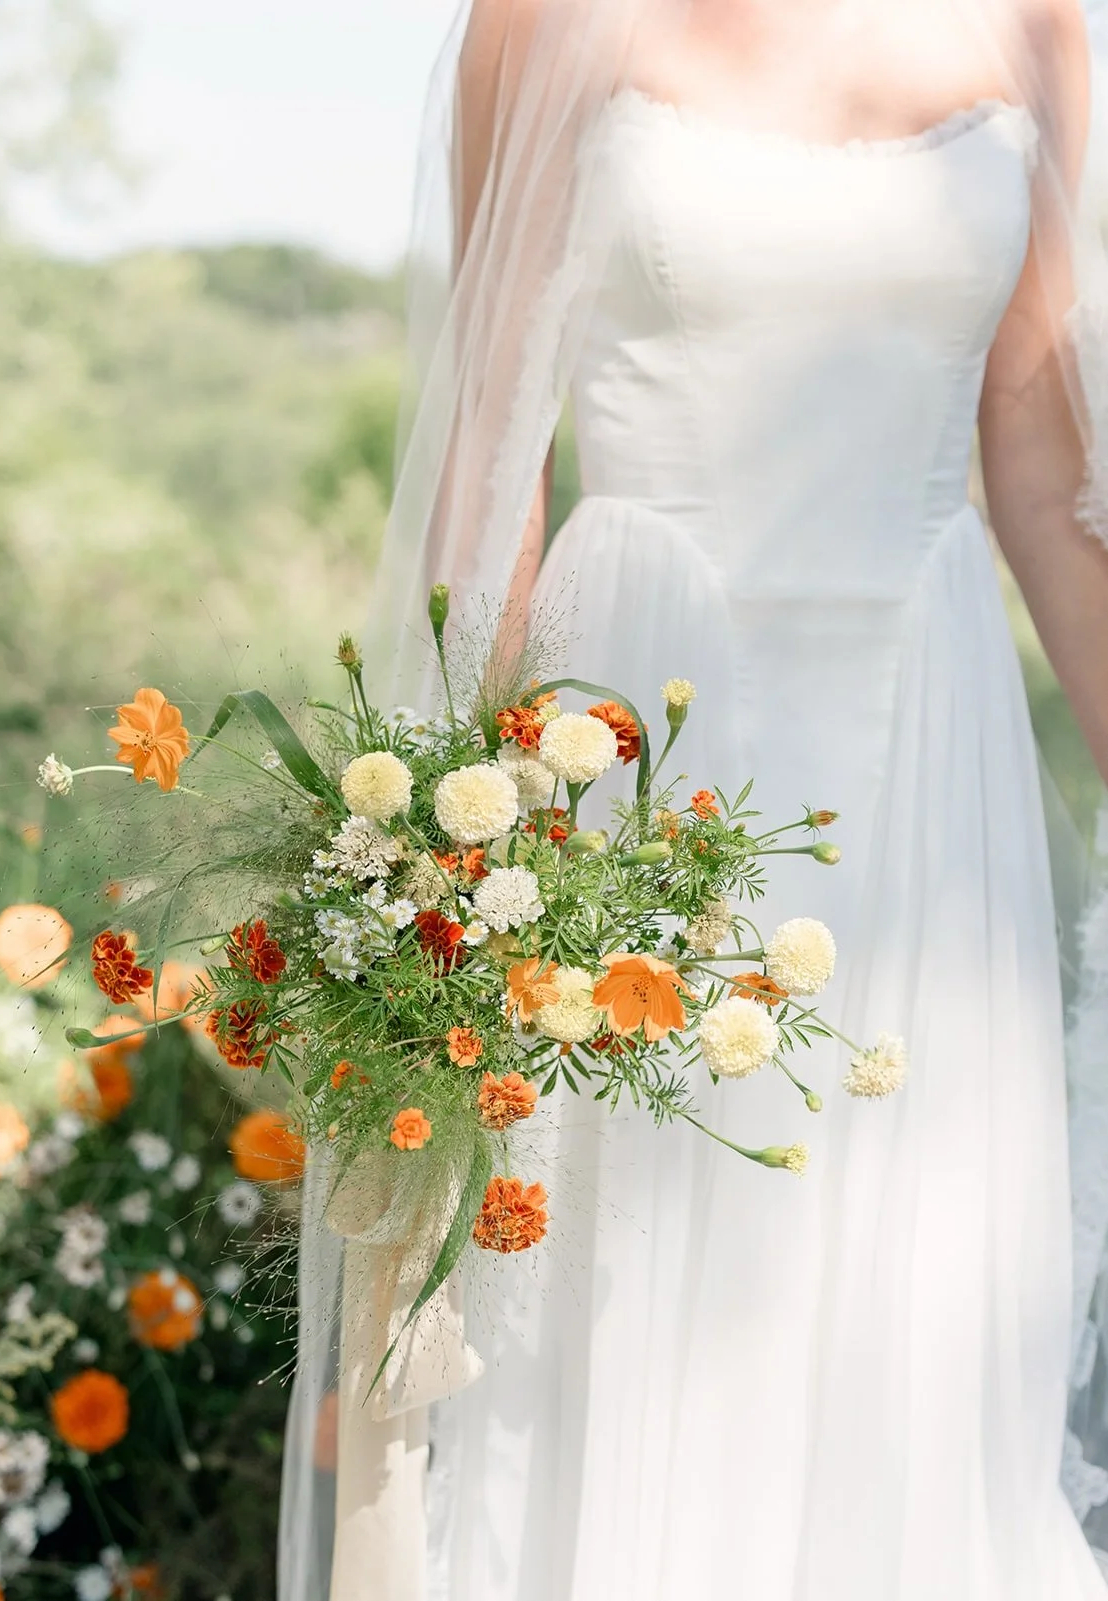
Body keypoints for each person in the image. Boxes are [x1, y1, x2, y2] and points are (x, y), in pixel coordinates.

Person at [280, 1, 1108, 1596]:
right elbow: (494, 456)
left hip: (930, 755)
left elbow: (1031, 439)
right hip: (640, 753)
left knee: (924, 1291)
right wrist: (438, 857)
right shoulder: (543, 19)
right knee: (641, 1292)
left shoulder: (1035, 21)